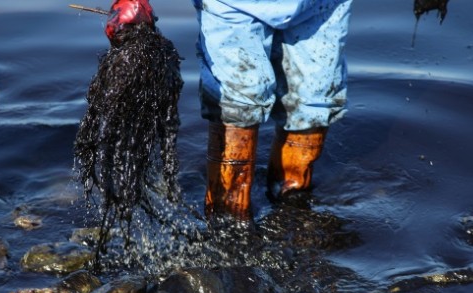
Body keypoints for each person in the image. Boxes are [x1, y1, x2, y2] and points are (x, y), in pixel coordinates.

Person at [106, 0, 353, 222]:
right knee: (235, 105)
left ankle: (292, 212)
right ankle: (228, 224)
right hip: (233, 6)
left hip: (321, 6)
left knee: (313, 102)